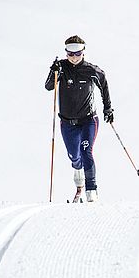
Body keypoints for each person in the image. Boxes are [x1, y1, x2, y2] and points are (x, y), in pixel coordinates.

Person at [45, 35, 113, 202]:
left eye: (78, 54)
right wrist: (53, 71)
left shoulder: (91, 70)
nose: (74, 58)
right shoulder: (60, 67)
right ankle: (79, 181)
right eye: (70, 54)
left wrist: (108, 108)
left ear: (83, 52)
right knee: (74, 157)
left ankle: (92, 192)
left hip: (88, 120)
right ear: (66, 53)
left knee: (86, 152)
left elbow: (103, 83)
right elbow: (48, 86)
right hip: (67, 122)